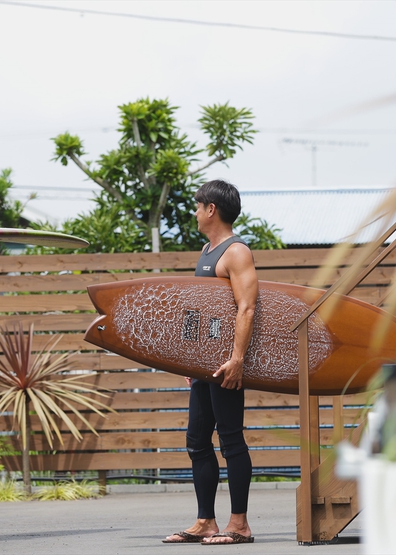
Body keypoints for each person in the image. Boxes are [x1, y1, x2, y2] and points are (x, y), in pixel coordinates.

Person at [163, 180, 258, 545]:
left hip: (226, 364)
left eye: (197, 206)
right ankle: (206, 521)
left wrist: (237, 360)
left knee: (231, 440)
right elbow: (199, 312)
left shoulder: (237, 252)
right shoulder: (207, 250)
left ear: (211, 210)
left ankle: (240, 525)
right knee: (197, 441)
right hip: (203, 366)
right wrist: (189, 361)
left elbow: (247, 308)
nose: (195, 212)